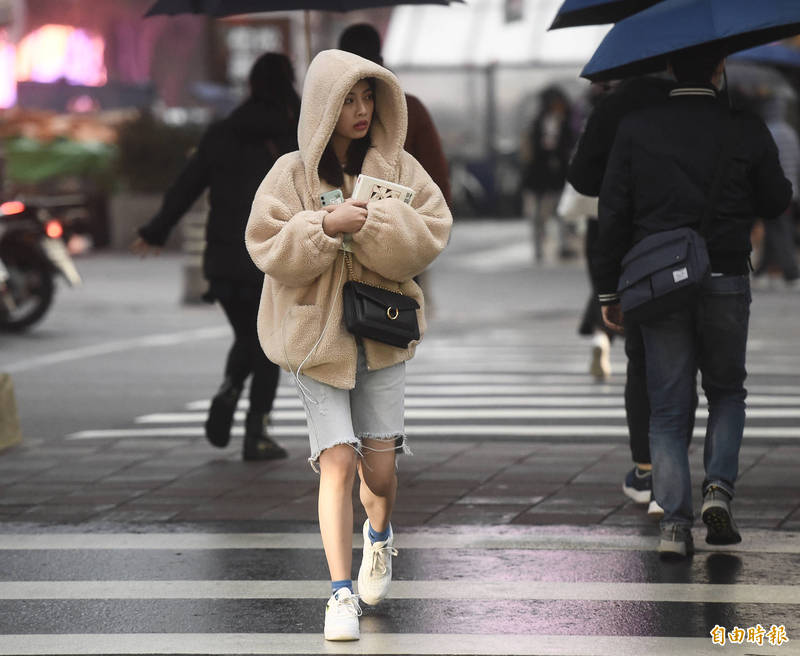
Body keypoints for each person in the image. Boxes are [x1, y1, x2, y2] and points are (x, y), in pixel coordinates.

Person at [244, 50, 451, 641]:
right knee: (336, 459)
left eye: (368, 100)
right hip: (313, 340)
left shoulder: (399, 167)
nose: (361, 112)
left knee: (378, 472)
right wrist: (323, 228)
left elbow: (432, 234)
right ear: (324, 107)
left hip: (382, 336)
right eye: (349, 101)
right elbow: (267, 247)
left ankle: (379, 540)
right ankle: (339, 595)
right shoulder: (291, 173)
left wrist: (374, 228)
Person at [592, 49, 792, 558]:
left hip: (662, 285)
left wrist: (609, 291)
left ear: (668, 68)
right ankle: (718, 490)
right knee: (727, 392)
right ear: (719, 68)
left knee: (667, 406)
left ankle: (674, 526)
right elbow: (776, 200)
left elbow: (613, 212)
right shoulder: (743, 127)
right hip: (725, 274)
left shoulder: (637, 128)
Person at [131, 53, 298, 461]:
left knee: (248, 336)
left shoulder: (222, 131)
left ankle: (228, 392)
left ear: (252, 86)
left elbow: (186, 186)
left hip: (222, 260)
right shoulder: (295, 133)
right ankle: (255, 432)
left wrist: (156, 231)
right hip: (268, 257)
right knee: (266, 346)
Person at [568, 75, 676, 516]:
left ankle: (649, 471)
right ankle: (694, 480)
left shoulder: (616, 105)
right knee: (688, 368)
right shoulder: (690, 98)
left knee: (642, 360)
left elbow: (580, 177)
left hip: (629, 241)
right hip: (688, 242)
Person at [753, 95, 800, 288]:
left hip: (774, 192)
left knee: (779, 231)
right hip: (792, 192)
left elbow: (764, 165)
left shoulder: (769, 132)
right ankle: (763, 271)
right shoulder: (790, 132)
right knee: (776, 230)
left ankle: (791, 273)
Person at [522, 86, 574, 262]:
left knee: (562, 211)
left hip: (559, 174)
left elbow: (567, 145)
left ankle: (563, 245)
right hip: (539, 174)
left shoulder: (566, 123)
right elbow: (534, 149)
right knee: (538, 215)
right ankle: (538, 248)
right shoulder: (538, 122)